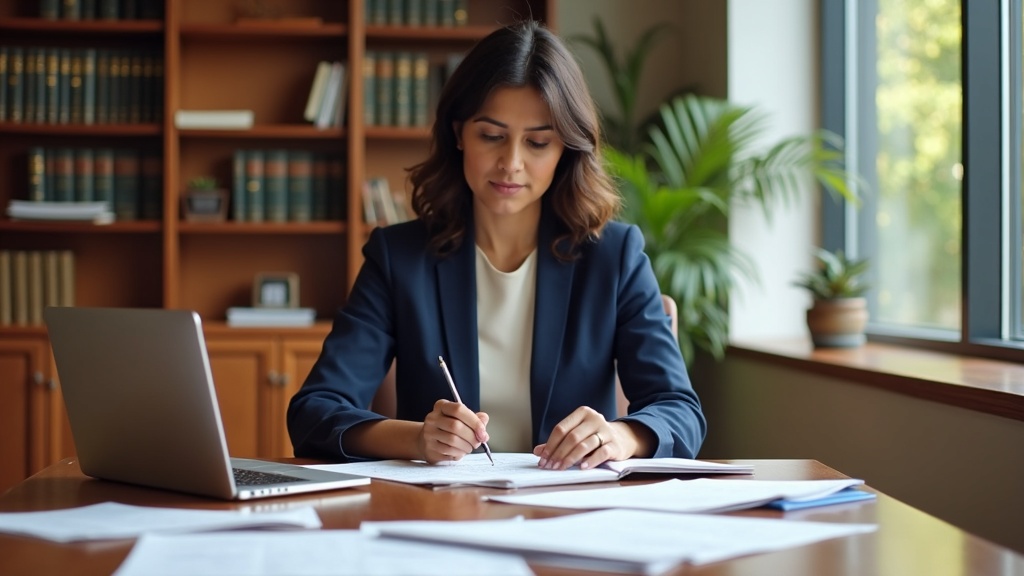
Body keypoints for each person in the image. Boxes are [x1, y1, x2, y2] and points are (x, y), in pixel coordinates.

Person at [287, 20, 705, 471]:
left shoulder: (615, 257)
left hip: (572, 514)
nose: (511, 163)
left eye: (538, 142)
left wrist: (619, 437)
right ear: (459, 134)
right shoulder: (398, 257)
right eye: (491, 135)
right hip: (440, 512)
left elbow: (681, 413)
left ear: (566, 148)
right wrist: (416, 438)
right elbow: (314, 412)